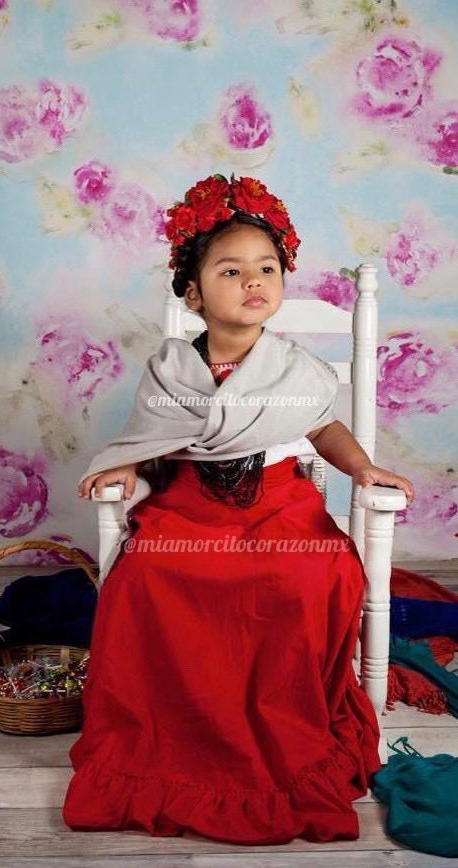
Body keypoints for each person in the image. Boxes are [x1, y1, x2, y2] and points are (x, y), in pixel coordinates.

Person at [62, 174, 414, 845]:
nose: (254, 281)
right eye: (230, 270)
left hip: (280, 507)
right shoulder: (171, 368)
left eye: (267, 268)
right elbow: (151, 435)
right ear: (193, 293)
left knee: (307, 577)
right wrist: (126, 463)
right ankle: (180, 733)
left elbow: (322, 429)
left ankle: (278, 725)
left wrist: (360, 466)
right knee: (146, 580)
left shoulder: (295, 368)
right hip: (189, 506)